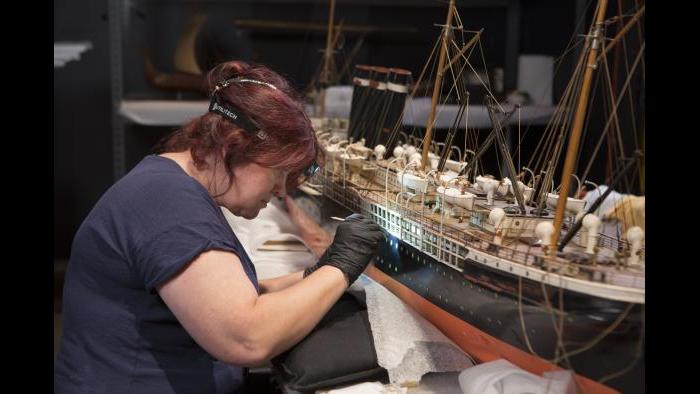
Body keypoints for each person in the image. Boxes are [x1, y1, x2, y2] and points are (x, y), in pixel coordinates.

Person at [54, 60, 384, 393]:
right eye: (278, 173)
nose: (281, 191)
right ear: (234, 146)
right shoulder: (168, 205)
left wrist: (320, 275)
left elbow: (238, 295)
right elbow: (246, 338)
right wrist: (342, 264)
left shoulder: (169, 185)